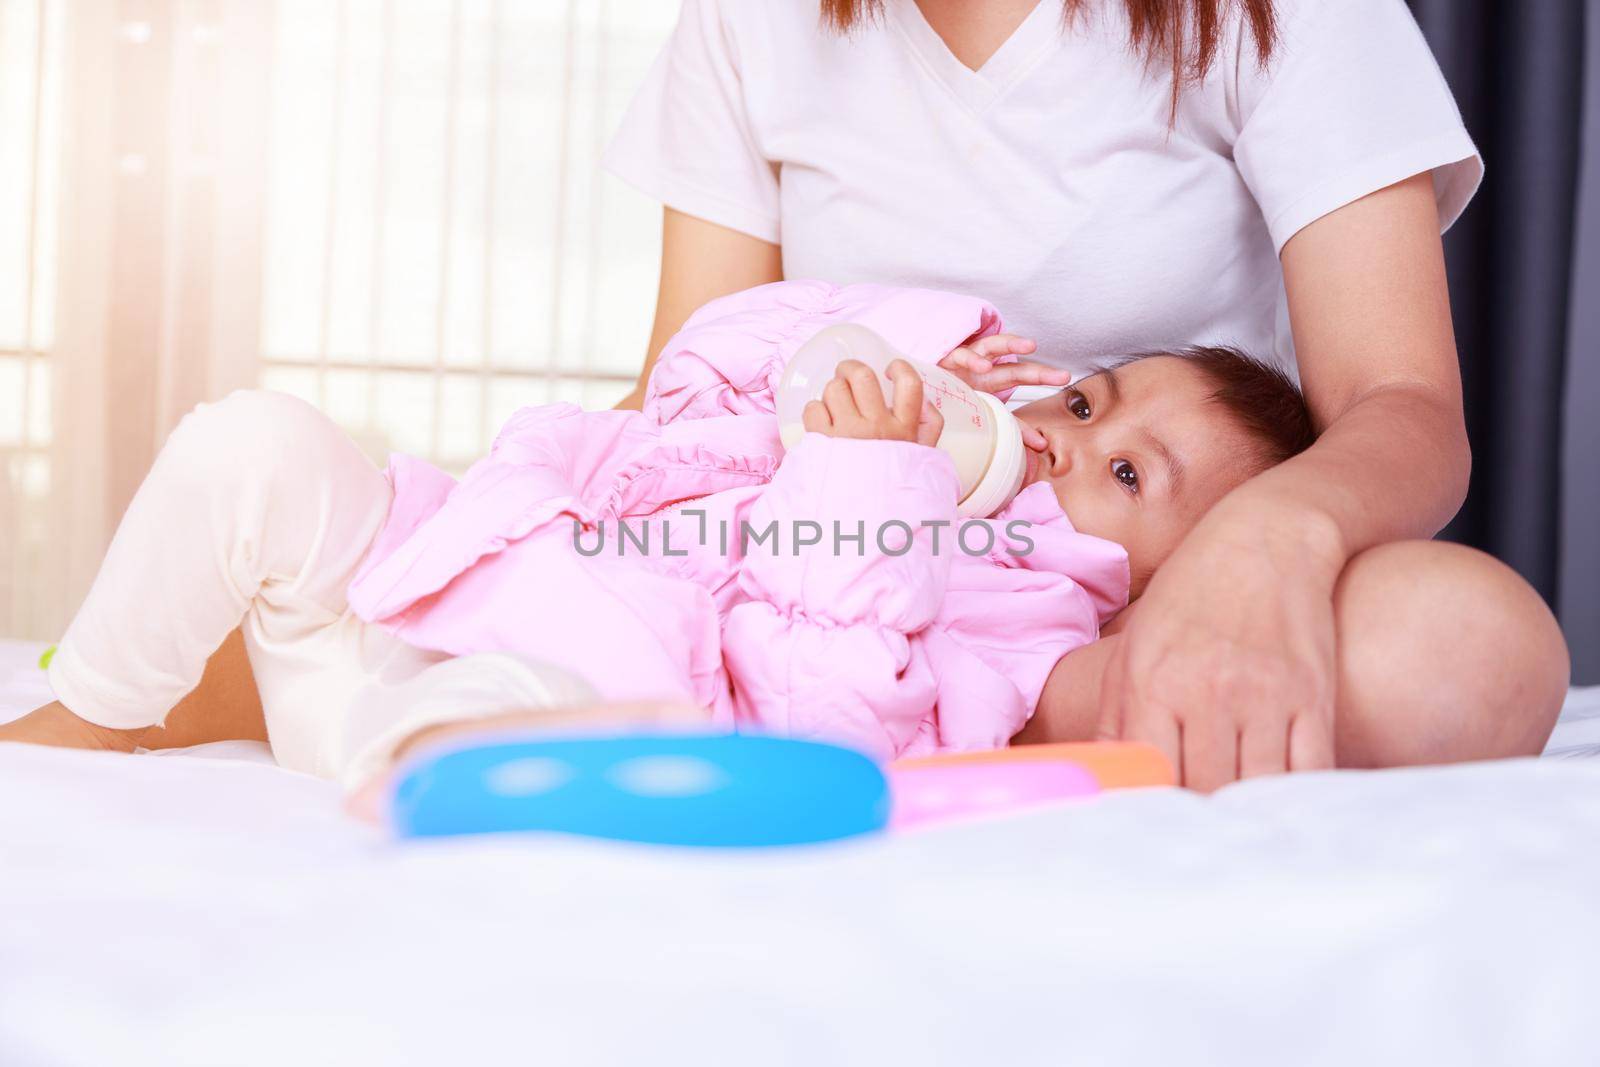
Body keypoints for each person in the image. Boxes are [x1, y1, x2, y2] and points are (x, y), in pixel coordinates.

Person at [602, 0, 1570, 788]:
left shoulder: (1281, 18)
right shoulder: (748, 25)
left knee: (1472, 642)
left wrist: (1261, 544)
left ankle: (969, 708)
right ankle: (892, 695)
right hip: (814, 562)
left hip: (1145, 607)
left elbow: (1401, 401)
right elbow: (683, 393)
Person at [3, 281, 1341, 787]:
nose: (1058, 437)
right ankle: (98, 707)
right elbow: (698, 369)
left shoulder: (1027, 612)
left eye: (1121, 471)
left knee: (578, 666)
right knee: (256, 442)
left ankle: (442, 787)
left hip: (535, 695)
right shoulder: (902, 409)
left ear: (1155, 581)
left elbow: (837, 715)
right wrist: (902, 339)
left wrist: (866, 481)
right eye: (1085, 397)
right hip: (405, 602)